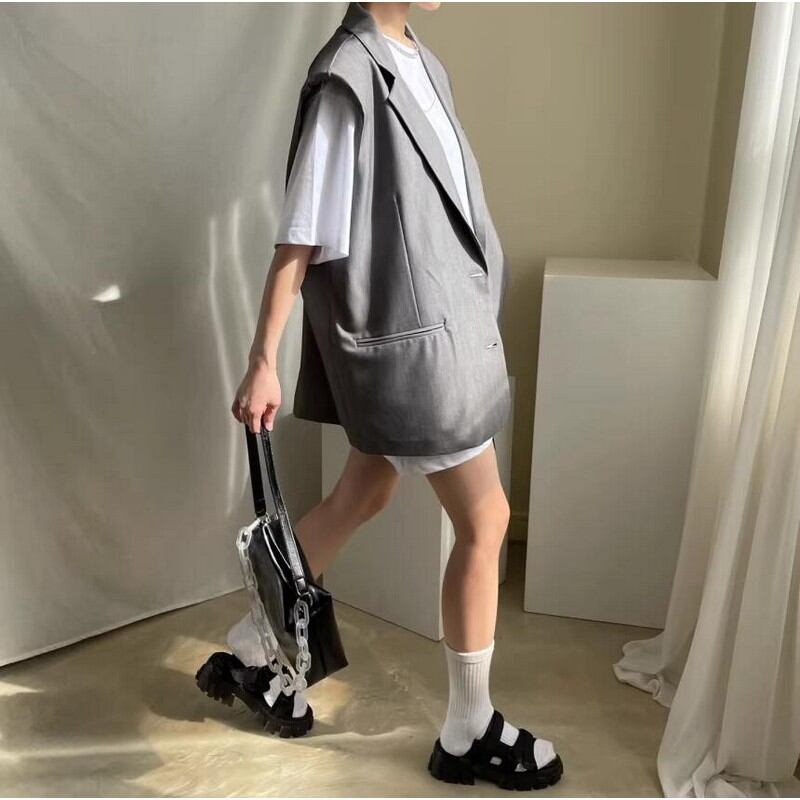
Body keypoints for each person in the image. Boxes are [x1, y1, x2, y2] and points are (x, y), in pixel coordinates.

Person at [196, 2, 563, 790]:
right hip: (416, 347)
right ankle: (468, 730)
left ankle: (255, 641)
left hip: (445, 328)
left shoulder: (421, 63)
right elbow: (301, 235)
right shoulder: (347, 78)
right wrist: (263, 358)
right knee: (488, 520)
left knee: (365, 490)